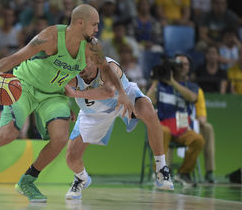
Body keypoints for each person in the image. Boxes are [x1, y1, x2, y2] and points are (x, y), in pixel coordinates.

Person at [0, 4, 135, 202]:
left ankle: (27, 181)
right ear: (80, 23)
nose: (97, 29)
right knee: (8, 134)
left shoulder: (92, 46)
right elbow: (18, 56)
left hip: (54, 94)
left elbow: (106, 69)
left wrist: (121, 92)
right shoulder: (51, 36)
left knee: (60, 138)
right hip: (25, 86)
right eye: (94, 24)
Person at [64, 57, 174, 200]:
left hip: (124, 98)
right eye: (78, 62)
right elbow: (57, 89)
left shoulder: (109, 67)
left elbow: (108, 92)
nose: (81, 67)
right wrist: (66, 105)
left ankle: (161, 169)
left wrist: (74, 94)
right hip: (94, 113)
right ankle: (81, 178)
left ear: (94, 60)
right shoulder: (70, 73)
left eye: (85, 61)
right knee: (71, 158)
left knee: (148, 111)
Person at [146, 54, 205, 186]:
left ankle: (183, 174)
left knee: (198, 140)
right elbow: (148, 101)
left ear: (189, 68)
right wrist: (156, 81)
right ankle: (160, 173)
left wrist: (172, 82)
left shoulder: (191, 86)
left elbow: (192, 98)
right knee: (164, 132)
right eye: (179, 64)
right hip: (164, 126)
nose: (182, 67)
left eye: (185, 64)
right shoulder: (160, 85)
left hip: (182, 129)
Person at [195, 88, 216, 183]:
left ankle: (209, 171)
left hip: (190, 125)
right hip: (171, 125)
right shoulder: (164, 87)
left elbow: (203, 118)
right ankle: (166, 169)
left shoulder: (196, 91)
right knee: (165, 130)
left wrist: (194, 120)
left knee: (208, 128)